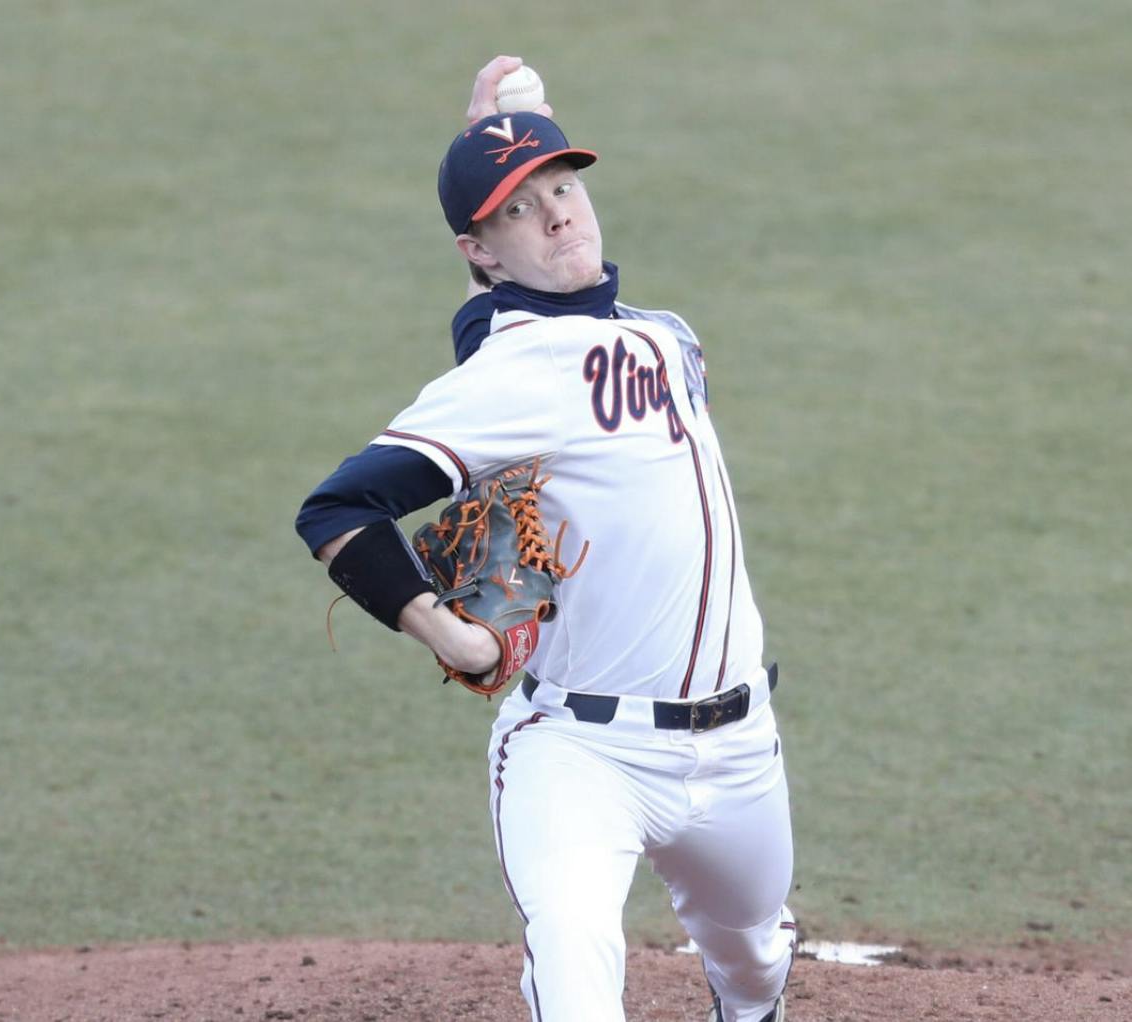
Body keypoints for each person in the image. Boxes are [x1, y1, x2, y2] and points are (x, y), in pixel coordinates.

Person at [295, 55, 796, 1022]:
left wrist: (497, 143)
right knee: (574, 973)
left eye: (564, 187)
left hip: (739, 746)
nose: (561, 212)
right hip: (578, 751)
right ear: (476, 249)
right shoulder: (508, 375)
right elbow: (336, 508)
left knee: (756, 966)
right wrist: (452, 634)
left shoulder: (669, 338)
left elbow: (539, 317)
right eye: (521, 209)